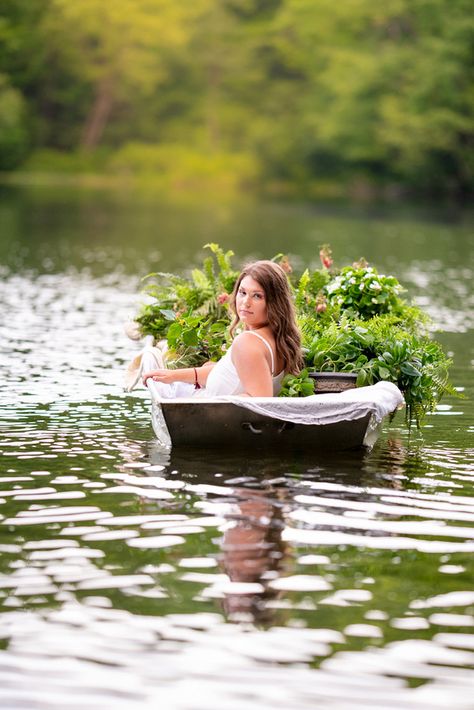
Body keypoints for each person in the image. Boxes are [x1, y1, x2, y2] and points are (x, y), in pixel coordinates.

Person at [142, 260, 303, 397]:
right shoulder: (276, 336)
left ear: (274, 303)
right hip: (211, 404)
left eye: (257, 296)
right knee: (191, 368)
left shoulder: (248, 343)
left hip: (212, 416)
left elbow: (260, 404)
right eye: (242, 292)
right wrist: (173, 375)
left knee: (150, 358)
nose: (245, 302)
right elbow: (237, 377)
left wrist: (205, 403)